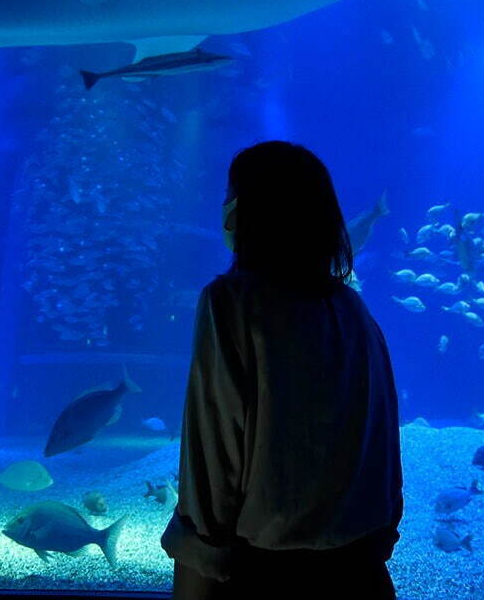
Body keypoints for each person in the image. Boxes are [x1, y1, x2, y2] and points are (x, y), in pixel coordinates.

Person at [162, 141, 403, 599]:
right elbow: (384, 438)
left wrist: (201, 557)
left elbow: (213, 451)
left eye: (232, 194)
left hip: (260, 576)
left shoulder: (231, 303)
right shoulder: (353, 308)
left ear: (252, 211)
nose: (225, 208)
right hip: (361, 574)